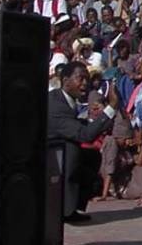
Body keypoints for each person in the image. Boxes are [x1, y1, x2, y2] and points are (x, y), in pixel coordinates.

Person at [48, 62, 115, 221]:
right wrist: (112, 106)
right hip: (45, 154)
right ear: (66, 81)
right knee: (73, 151)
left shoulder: (67, 99)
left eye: (87, 78)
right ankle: (63, 211)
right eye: (80, 78)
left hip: (57, 148)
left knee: (91, 156)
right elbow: (84, 135)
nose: (85, 83)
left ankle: (71, 208)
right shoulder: (55, 104)